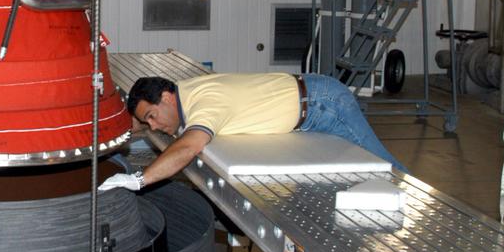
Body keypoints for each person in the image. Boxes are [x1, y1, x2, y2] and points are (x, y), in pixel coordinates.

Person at [100, 72, 406, 192]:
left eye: (152, 117)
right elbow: (139, 121)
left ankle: (423, 210)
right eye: (147, 122)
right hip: (309, 104)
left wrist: (138, 179)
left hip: (323, 105)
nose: (153, 127)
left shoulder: (205, 106)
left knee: (386, 170)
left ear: (166, 98)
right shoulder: (183, 91)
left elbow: (187, 148)